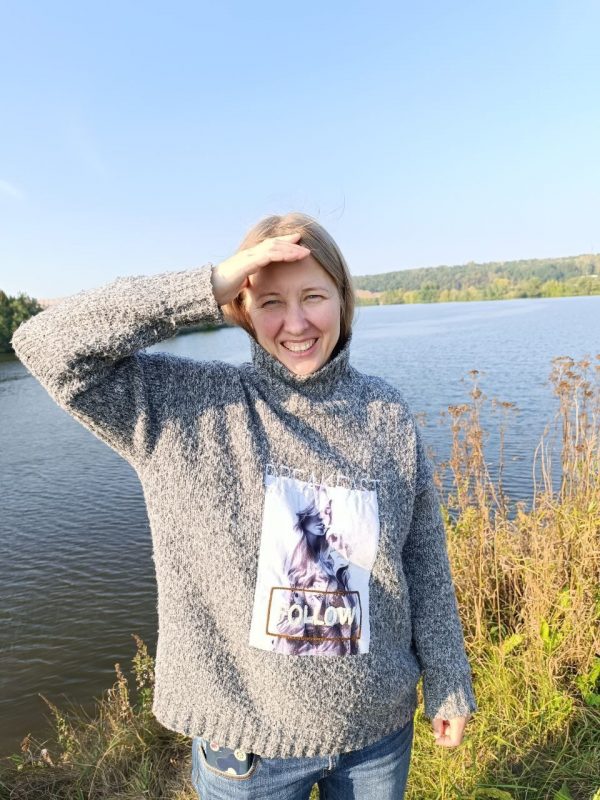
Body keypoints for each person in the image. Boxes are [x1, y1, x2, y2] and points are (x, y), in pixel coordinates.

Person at [11, 212, 477, 800]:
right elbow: (46, 344)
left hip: (377, 736)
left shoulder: (384, 413)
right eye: (271, 301)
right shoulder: (184, 407)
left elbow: (423, 559)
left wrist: (448, 678)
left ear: (343, 299)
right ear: (241, 309)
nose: (297, 323)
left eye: (314, 296)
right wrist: (207, 284)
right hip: (250, 751)